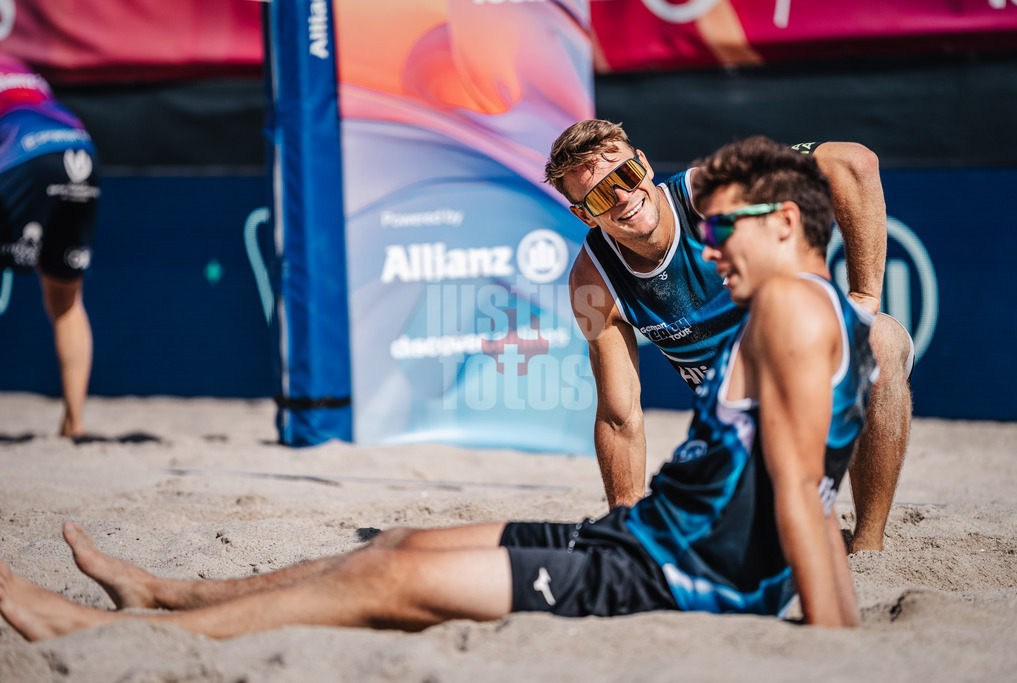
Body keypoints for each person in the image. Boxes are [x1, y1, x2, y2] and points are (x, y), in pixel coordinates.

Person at [0, 136, 874, 639]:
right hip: (650, 537)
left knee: (385, 585)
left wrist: (837, 646)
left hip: (674, 578)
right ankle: (171, 594)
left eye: (725, 226)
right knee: (401, 544)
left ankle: (104, 634)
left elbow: (801, 495)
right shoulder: (783, 305)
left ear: (788, 222)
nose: (707, 241)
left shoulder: (793, 313)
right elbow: (640, 421)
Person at [546, 120, 913, 553]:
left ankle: (868, 545)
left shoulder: (712, 193)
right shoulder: (592, 282)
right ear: (583, 214)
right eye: (601, 195)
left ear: (643, 164)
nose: (624, 198)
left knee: (881, 340)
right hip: (742, 431)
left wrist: (864, 295)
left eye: (625, 175)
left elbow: (852, 162)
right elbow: (618, 418)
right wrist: (626, 529)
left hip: (809, 374)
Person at [0, 54, 100, 438]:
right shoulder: (19, 66)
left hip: (26, 150)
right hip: (81, 149)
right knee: (66, 300)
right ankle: (75, 422)